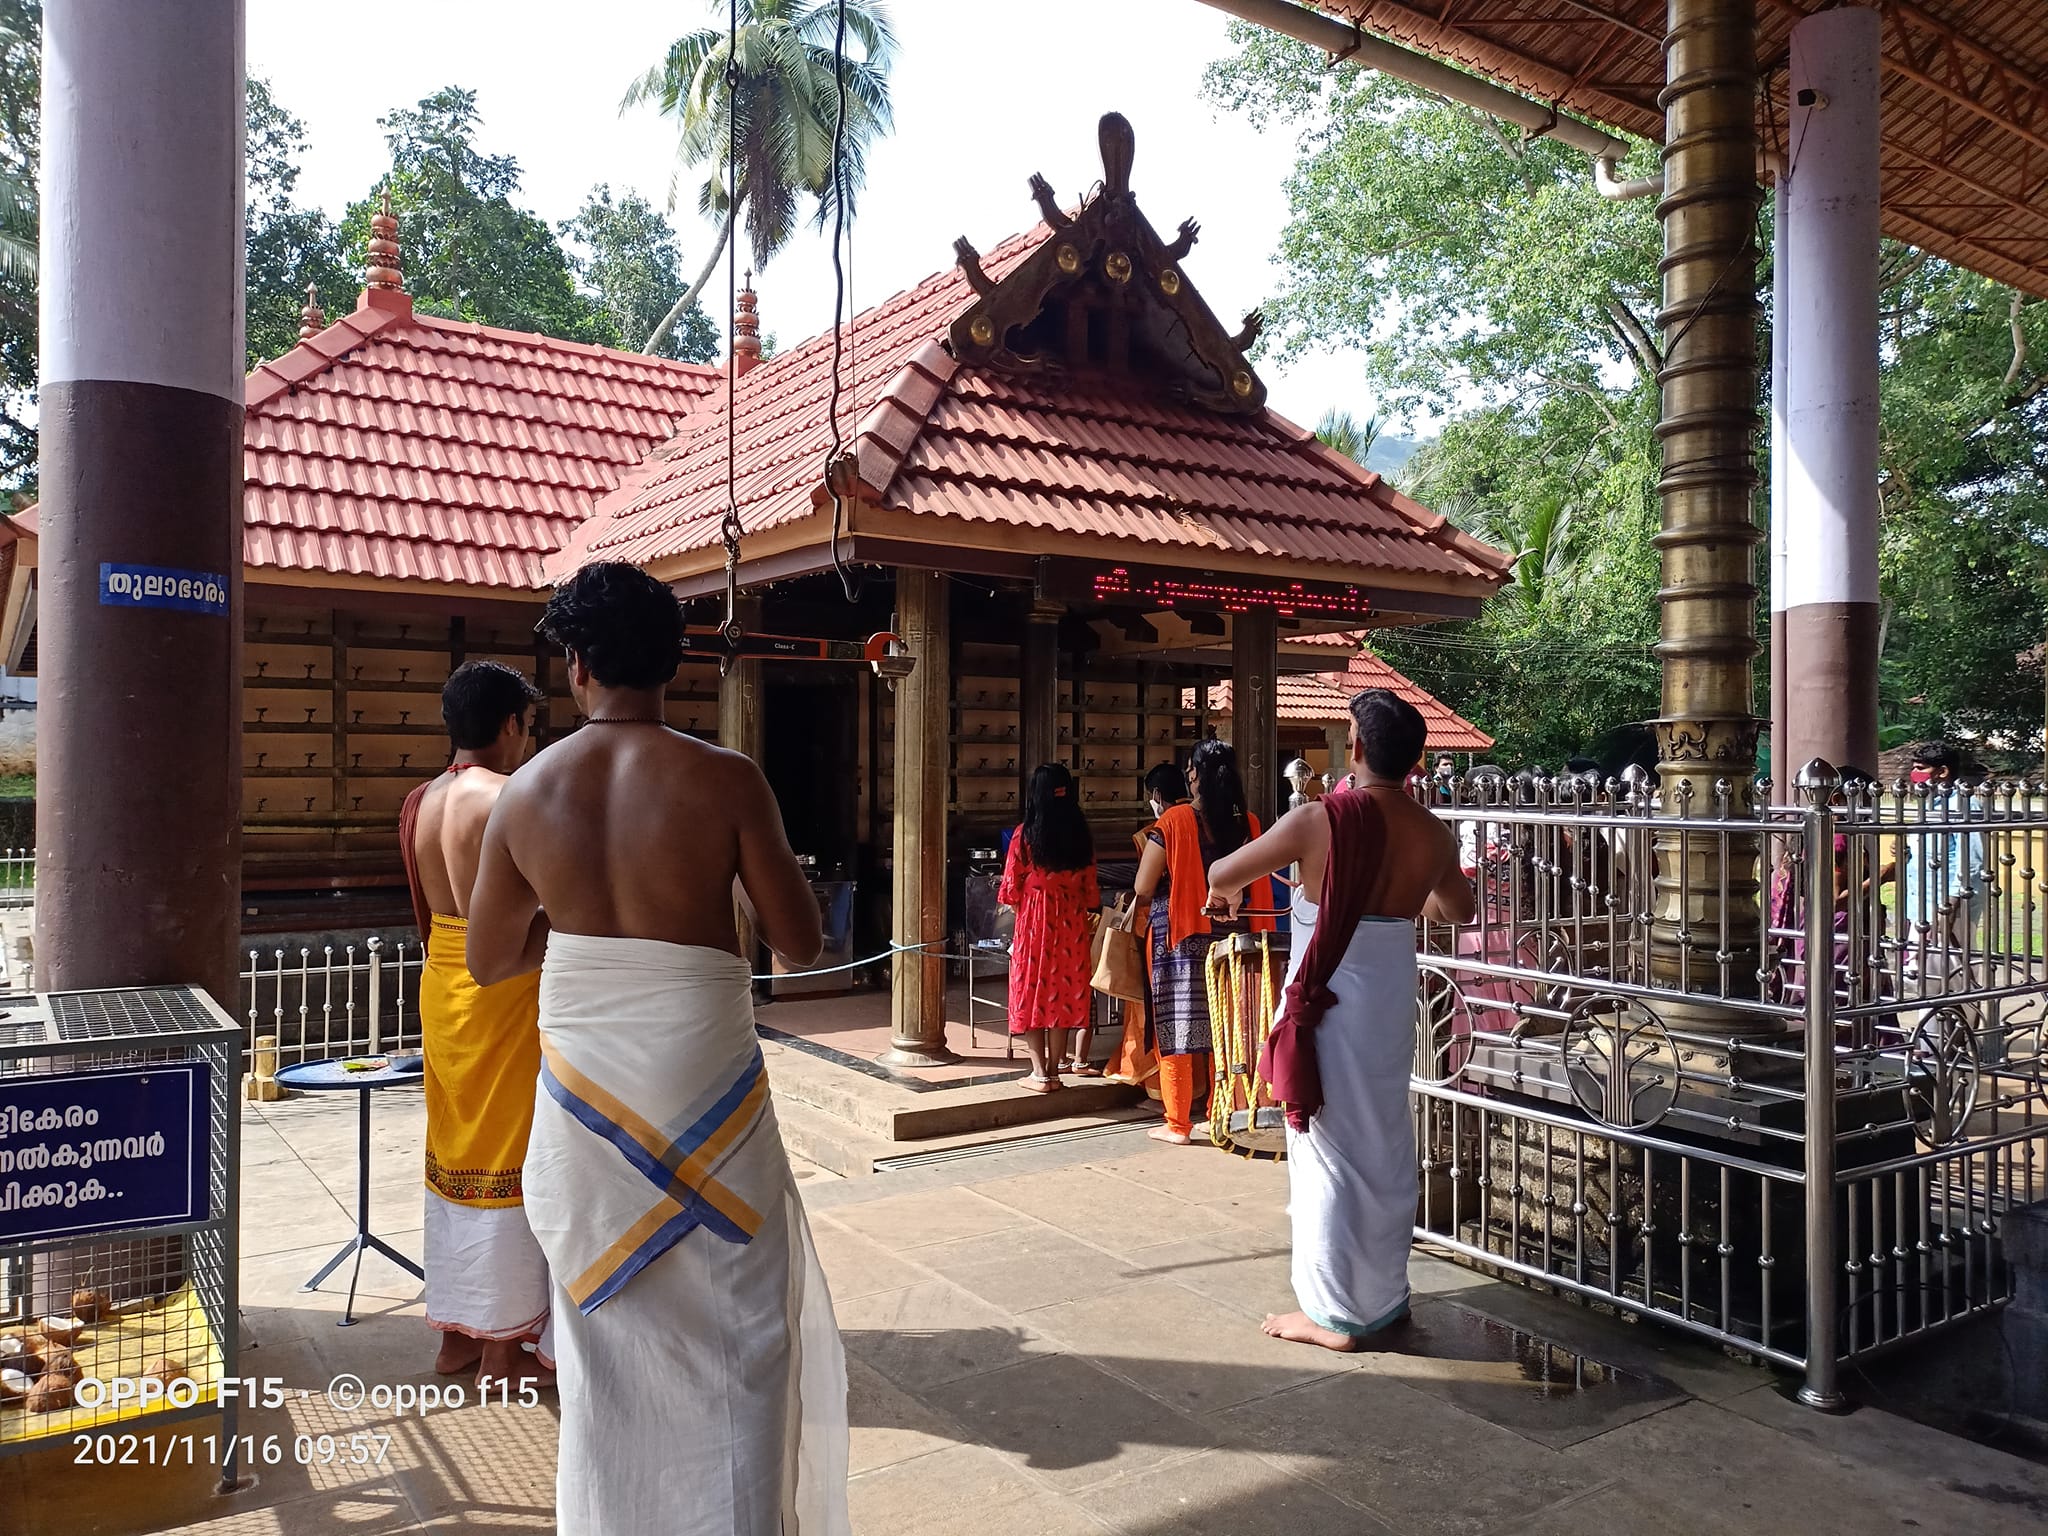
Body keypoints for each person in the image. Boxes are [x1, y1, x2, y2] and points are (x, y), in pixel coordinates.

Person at [466, 562, 846, 1536]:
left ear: (576, 663)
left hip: (585, 1116)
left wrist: (582, 927)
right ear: (672, 664)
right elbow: (800, 943)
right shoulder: (725, 780)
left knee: (606, 1370)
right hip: (710, 1091)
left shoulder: (526, 794)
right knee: (746, 1353)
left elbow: (491, 957)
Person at [1206, 689, 1476, 1351]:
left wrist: (1238, 887)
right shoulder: (1431, 832)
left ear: (1355, 747)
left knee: (1326, 1151)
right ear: (1414, 759)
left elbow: (1224, 869)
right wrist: (1407, 897)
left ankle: (1333, 1317)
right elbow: (1458, 911)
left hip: (1329, 999)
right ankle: (1381, 1297)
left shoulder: (1319, 820)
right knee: (1380, 1143)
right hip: (1385, 999)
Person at [399, 660, 551, 1390]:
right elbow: (518, 926)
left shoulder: (421, 801)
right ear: (511, 724)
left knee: (457, 1149)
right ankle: (504, 1343)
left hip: (442, 981)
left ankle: (457, 1334)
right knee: (512, 1155)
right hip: (504, 988)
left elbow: (439, 915)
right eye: (528, 725)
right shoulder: (505, 796)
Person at [1129, 740, 1276, 1145]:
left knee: (1178, 1028)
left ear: (1193, 773)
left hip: (1180, 937)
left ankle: (1177, 1122)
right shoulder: (1249, 823)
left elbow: (1143, 885)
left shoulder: (1174, 820)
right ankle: (1220, 1113)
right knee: (1226, 1026)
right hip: (1235, 936)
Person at [998, 763, 1100, 1091]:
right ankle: (1056, 1070)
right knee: (1064, 991)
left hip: (1034, 920)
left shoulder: (1025, 833)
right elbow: (1091, 890)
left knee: (1031, 991)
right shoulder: (1081, 833)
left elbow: (1011, 888)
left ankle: (1039, 1073)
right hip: (1071, 920)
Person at [1900, 741, 1985, 980]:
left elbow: (1972, 859)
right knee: (1925, 977)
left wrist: (1952, 902)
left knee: (1955, 973)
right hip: (1921, 903)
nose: (1915, 774)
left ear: (1943, 772)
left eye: (1921, 768)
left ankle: (1962, 1017)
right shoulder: (1926, 803)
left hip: (1949, 904)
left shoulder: (1963, 803)